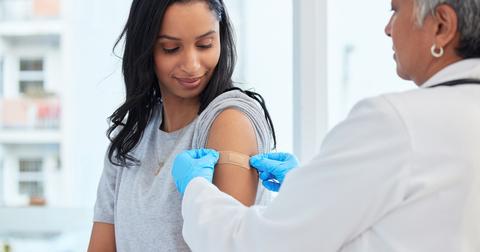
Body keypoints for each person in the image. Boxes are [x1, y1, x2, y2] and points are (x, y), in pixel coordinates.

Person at [171, 0, 480, 251]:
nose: (387, 29)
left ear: (442, 26)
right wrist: (306, 188)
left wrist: (197, 192)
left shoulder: (396, 122)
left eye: (396, 11)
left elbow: (259, 245)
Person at [87, 0, 276, 251]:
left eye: (205, 44)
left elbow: (228, 244)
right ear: (145, 48)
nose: (192, 65)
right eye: (171, 48)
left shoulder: (229, 120)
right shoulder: (130, 137)